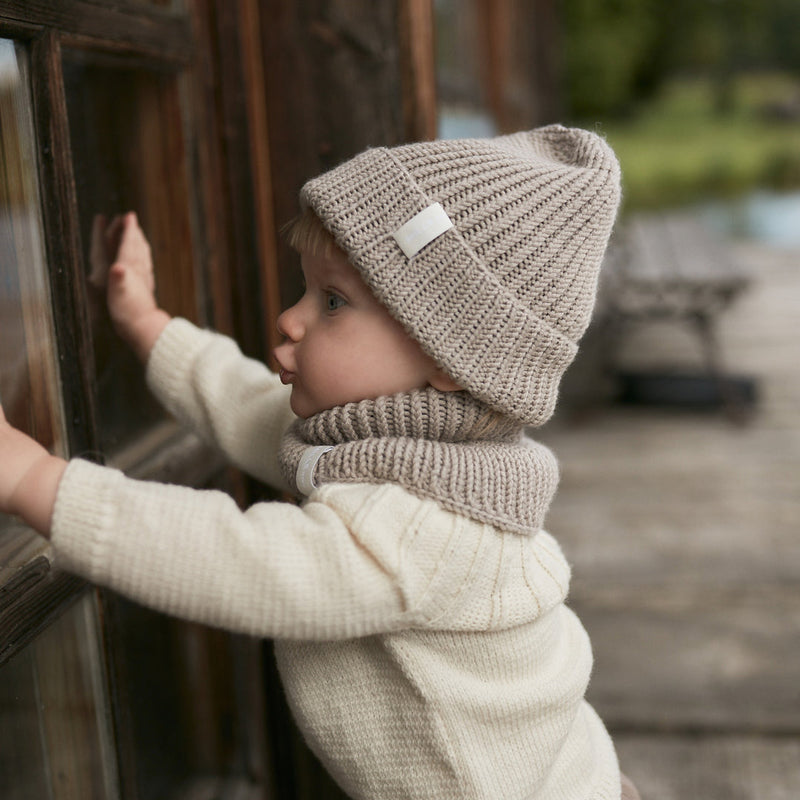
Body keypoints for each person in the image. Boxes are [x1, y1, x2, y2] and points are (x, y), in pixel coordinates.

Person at [0, 126, 641, 800]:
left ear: (453, 362)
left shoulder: (425, 527)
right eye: (306, 290)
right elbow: (249, 407)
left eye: (332, 302)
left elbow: (238, 560)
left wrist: (35, 482)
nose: (289, 318)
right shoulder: (400, 451)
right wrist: (146, 322)